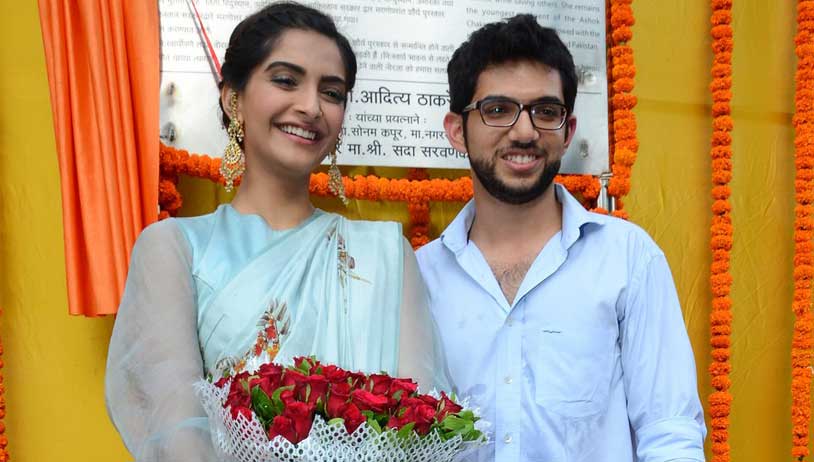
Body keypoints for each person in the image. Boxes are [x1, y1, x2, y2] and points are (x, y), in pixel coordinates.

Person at [105, 3, 448, 460]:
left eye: (332, 92)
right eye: (286, 80)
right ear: (233, 98)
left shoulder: (386, 254)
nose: (310, 107)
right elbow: (177, 430)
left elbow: (417, 422)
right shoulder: (174, 249)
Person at [416, 14, 706, 462]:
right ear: (457, 130)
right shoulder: (421, 278)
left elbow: (669, 429)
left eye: (545, 112)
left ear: (568, 131)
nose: (525, 131)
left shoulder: (626, 257)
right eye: (497, 110)